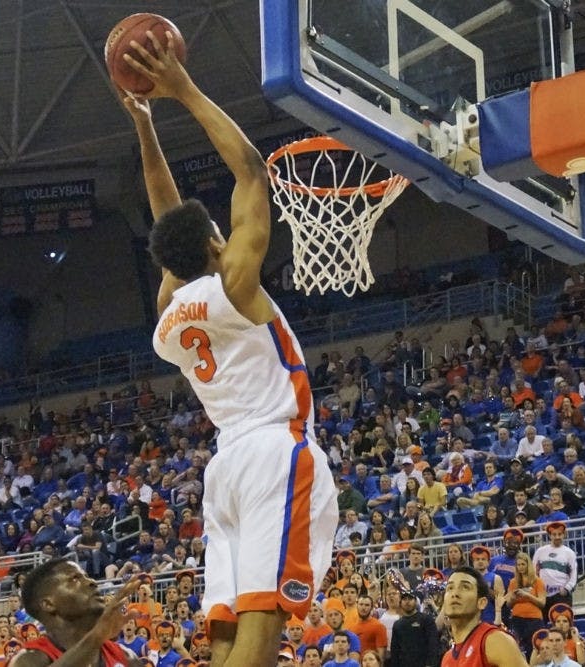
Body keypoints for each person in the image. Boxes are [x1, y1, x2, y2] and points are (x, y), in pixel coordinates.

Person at [125, 30, 337, 667]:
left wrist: (144, 125)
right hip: (276, 450)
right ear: (217, 247)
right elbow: (250, 167)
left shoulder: (167, 321)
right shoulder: (236, 285)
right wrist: (180, 91)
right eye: (220, 231)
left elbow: (168, 218)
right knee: (264, 620)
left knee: (224, 630)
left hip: (224, 470)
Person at [8, 558, 143, 667]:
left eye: (86, 576)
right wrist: (96, 636)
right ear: (48, 604)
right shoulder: (28, 659)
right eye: (75, 579)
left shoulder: (126, 657)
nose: (92, 582)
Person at [440, 567, 526, 666]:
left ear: (481, 603)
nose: (455, 594)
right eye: (450, 588)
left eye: (465, 587)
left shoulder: (494, 640)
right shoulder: (447, 658)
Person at [533, 522, 577, 613]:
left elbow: (573, 574)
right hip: (543, 595)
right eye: (554, 534)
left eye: (559, 534)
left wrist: (567, 589)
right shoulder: (540, 551)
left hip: (561, 595)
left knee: (563, 623)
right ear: (549, 536)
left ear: (564, 535)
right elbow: (533, 572)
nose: (557, 537)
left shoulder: (570, 553)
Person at [389, 590, 440, 667]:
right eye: (404, 599)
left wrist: (431, 664)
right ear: (400, 602)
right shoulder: (397, 624)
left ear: (415, 601)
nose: (407, 602)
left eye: (410, 599)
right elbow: (395, 651)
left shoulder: (426, 619)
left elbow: (433, 644)